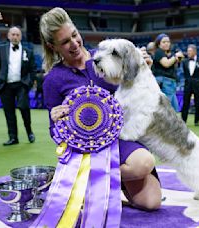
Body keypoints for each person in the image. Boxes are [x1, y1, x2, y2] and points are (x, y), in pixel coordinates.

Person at [39, 7, 161, 216]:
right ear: (53, 46)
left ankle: (90, 182)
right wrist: (56, 121)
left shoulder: (106, 55)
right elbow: (54, 132)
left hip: (120, 138)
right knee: (143, 169)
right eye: (65, 42)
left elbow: (138, 92)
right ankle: (93, 180)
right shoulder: (52, 79)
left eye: (75, 35)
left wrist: (142, 68)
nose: (75, 43)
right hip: (87, 149)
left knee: (151, 201)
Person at [0, 26, 37, 146]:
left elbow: (33, 70)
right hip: (5, 86)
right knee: (9, 112)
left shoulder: (28, 51)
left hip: (21, 85)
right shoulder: (2, 49)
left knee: (24, 108)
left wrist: (28, 83)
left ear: (21, 37)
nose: (15, 37)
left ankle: (29, 132)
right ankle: (13, 138)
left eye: (17, 34)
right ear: (8, 36)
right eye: (13, 34)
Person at [152, 33, 184, 111]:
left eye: (168, 41)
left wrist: (178, 59)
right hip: (164, 81)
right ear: (159, 44)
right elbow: (166, 64)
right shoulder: (158, 52)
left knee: (173, 108)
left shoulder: (169, 54)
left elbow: (173, 67)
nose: (167, 43)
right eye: (164, 42)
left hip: (170, 82)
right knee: (166, 108)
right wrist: (175, 57)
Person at [181, 44, 199, 127]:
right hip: (187, 85)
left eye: (190, 51)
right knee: (185, 103)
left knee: (197, 104)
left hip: (198, 86)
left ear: (195, 51)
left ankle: (196, 121)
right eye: (188, 51)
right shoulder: (184, 62)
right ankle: (183, 121)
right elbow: (185, 74)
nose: (188, 52)